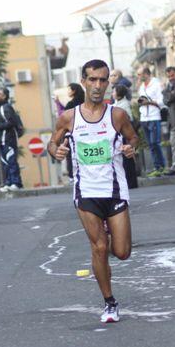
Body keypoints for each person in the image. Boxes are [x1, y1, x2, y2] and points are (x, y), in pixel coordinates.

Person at [49, 59, 138, 323]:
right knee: (99, 247)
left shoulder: (117, 115)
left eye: (102, 80)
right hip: (85, 192)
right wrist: (57, 151)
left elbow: (133, 137)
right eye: (92, 80)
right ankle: (109, 303)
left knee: (121, 252)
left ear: (108, 82)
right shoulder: (69, 117)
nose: (98, 85)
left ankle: (108, 236)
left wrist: (131, 147)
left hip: (115, 191)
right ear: (84, 82)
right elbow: (52, 144)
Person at [0, 87, 23, 191]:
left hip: (9, 139)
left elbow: (11, 122)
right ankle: (8, 182)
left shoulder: (7, 107)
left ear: (4, 96)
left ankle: (16, 183)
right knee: (5, 163)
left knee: (11, 161)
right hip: (1, 140)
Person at [137, 67, 166, 177]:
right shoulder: (141, 86)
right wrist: (141, 102)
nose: (138, 76)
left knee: (155, 143)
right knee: (150, 144)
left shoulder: (156, 84)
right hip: (144, 118)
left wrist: (148, 102)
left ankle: (161, 166)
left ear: (146, 74)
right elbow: (141, 100)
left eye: (140, 74)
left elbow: (161, 101)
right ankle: (157, 167)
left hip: (154, 116)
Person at [113, 85, 138, 189]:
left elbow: (128, 118)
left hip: (125, 133)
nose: (113, 93)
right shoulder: (116, 103)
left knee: (127, 156)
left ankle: (131, 182)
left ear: (119, 93)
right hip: (119, 133)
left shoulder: (124, 104)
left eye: (114, 91)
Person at [64, 83, 85, 180]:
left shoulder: (70, 105)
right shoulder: (85, 103)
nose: (68, 92)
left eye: (69, 89)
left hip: (72, 133)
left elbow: (65, 120)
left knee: (71, 155)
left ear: (74, 91)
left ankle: (72, 176)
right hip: (85, 132)